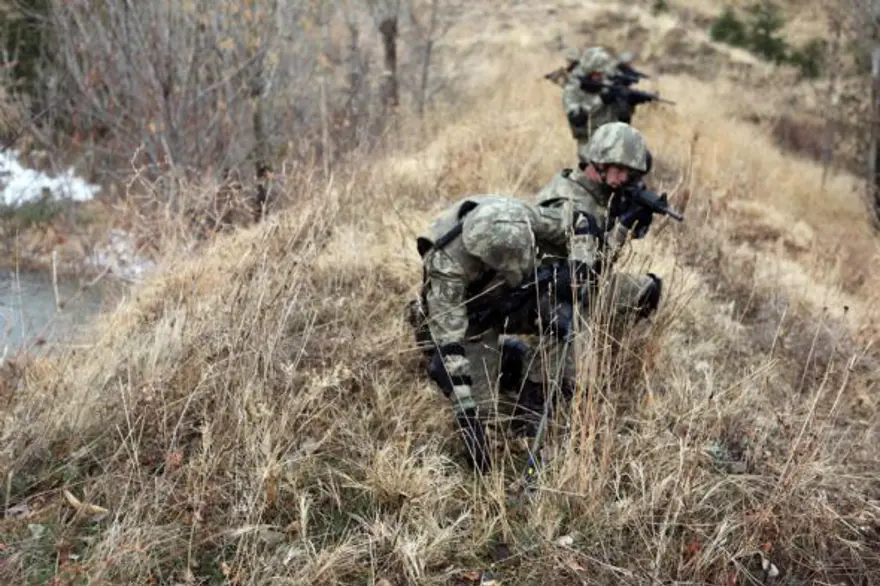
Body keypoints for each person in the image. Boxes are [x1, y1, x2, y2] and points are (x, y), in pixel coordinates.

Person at [410, 195, 596, 473]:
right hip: (471, 321)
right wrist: (467, 416)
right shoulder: (447, 264)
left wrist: (578, 269)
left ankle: (535, 405)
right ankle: (508, 359)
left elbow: (582, 222)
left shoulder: (523, 216)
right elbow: (450, 343)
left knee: (561, 317)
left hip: (516, 296)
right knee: (485, 419)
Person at [534, 121, 663, 325]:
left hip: (579, 280)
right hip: (552, 293)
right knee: (580, 351)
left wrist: (633, 220)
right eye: (620, 169)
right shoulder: (571, 203)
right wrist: (622, 228)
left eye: (629, 173)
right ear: (600, 163)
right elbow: (587, 271)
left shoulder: (595, 190)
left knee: (648, 290)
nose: (623, 178)